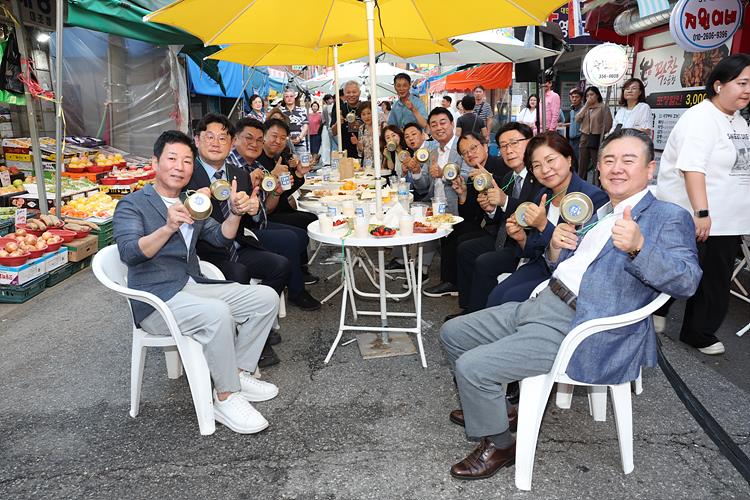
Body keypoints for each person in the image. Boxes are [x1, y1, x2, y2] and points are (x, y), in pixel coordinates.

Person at [440, 128, 702, 480]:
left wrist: (640, 246)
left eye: (628, 160)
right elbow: (563, 264)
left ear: (650, 169)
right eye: (609, 160)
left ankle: (501, 443)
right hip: (544, 301)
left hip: (578, 323)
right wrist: (553, 248)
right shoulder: (602, 210)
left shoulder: (667, 216)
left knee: (473, 367)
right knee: (453, 332)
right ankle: (496, 409)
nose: (616, 168)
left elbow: (687, 280)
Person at [114, 130, 282, 434]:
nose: (180, 166)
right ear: (155, 162)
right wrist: (168, 227)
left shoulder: (192, 201)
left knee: (266, 298)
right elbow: (130, 254)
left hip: (191, 283)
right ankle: (225, 397)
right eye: (172, 158)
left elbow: (220, 238)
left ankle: (238, 372)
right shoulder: (133, 204)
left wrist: (234, 212)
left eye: (187, 161)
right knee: (217, 312)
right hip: (157, 300)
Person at [654, 53, 750, 355]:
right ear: (719, 85)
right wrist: (702, 213)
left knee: (712, 274)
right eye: (742, 82)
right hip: (696, 213)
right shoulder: (700, 118)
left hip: (729, 215)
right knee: (686, 271)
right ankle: (686, 327)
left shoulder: (737, 120)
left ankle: (682, 322)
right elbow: (692, 168)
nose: (748, 90)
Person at [486, 132, 608, 307]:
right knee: (497, 296)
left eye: (551, 160)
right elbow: (535, 251)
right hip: (542, 266)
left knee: (510, 299)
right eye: (536, 165)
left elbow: (578, 258)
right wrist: (521, 238)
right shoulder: (544, 195)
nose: (544, 170)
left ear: (569, 159)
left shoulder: (592, 199)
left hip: (568, 276)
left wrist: (543, 225)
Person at [226, 116, 322, 312]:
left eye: (258, 140)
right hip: (239, 230)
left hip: (257, 222)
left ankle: (295, 278)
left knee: (300, 233)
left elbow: (266, 208)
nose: (255, 144)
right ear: (235, 139)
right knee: (290, 238)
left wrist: (277, 191)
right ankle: (295, 291)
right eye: (249, 138)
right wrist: (259, 179)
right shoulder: (230, 166)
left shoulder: (257, 165)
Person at [454, 123, 541, 317]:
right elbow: (495, 214)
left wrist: (504, 200)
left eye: (514, 143)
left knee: (485, 262)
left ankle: (478, 316)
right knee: (466, 248)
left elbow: (530, 211)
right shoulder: (511, 176)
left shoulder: (539, 175)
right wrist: (492, 209)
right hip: (505, 235)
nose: (509, 150)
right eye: (504, 146)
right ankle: (468, 308)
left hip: (527, 243)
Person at [426, 131, 510, 301]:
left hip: (502, 229)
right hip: (487, 223)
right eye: (465, 153)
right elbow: (471, 214)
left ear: (485, 146)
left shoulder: (501, 165)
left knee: (465, 244)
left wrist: (489, 178)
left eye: (473, 148)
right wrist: (463, 194)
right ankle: (452, 281)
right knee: (454, 230)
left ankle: (465, 297)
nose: (470, 154)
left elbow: (507, 191)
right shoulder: (473, 174)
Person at [256, 118, 320, 286]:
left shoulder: (280, 157)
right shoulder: (257, 159)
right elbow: (262, 194)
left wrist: (299, 174)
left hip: (279, 207)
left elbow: (285, 190)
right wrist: (272, 174)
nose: (278, 141)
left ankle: (300, 267)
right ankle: (296, 272)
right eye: (274, 136)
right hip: (265, 215)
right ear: (263, 136)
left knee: (309, 218)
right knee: (299, 229)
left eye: (283, 138)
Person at [416, 107, 470, 297]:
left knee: (452, 243)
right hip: (436, 203)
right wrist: (415, 171)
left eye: (443, 122)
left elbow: (466, 174)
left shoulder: (462, 147)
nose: (439, 128)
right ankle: (448, 280)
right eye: (434, 124)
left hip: (460, 204)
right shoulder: (430, 150)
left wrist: (444, 174)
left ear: (452, 124)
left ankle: (451, 282)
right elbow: (423, 184)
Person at [575, 86, 613, 180]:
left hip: (596, 137)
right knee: (582, 164)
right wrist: (586, 106)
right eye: (587, 95)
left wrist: (600, 131)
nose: (589, 97)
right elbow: (577, 119)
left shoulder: (603, 107)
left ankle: (598, 184)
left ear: (597, 95)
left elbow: (608, 124)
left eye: (591, 94)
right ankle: (581, 185)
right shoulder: (586, 107)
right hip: (585, 136)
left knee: (597, 163)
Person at [330, 80, 362, 159]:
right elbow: (333, 132)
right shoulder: (339, 108)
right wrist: (338, 123)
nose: (351, 95)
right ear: (344, 93)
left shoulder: (365, 107)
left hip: (364, 150)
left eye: (354, 92)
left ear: (360, 92)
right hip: (345, 151)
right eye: (348, 92)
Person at [279, 88, 309, 155]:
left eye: (291, 96)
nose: (289, 98)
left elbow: (305, 126)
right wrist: (287, 139)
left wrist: (300, 137)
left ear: (294, 97)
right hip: (285, 144)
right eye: (287, 96)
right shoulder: (280, 112)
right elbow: (279, 127)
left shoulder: (301, 110)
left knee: (302, 164)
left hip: (300, 143)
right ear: (284, 98)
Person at [567, 88, 583, 161]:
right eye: (572, 97)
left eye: (577, 97)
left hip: (579, 139)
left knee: (580, 162)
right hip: (571, 140)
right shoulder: (572, 110)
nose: (574, 99)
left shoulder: (583, 110)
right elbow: (573, 123)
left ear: (581, 98)